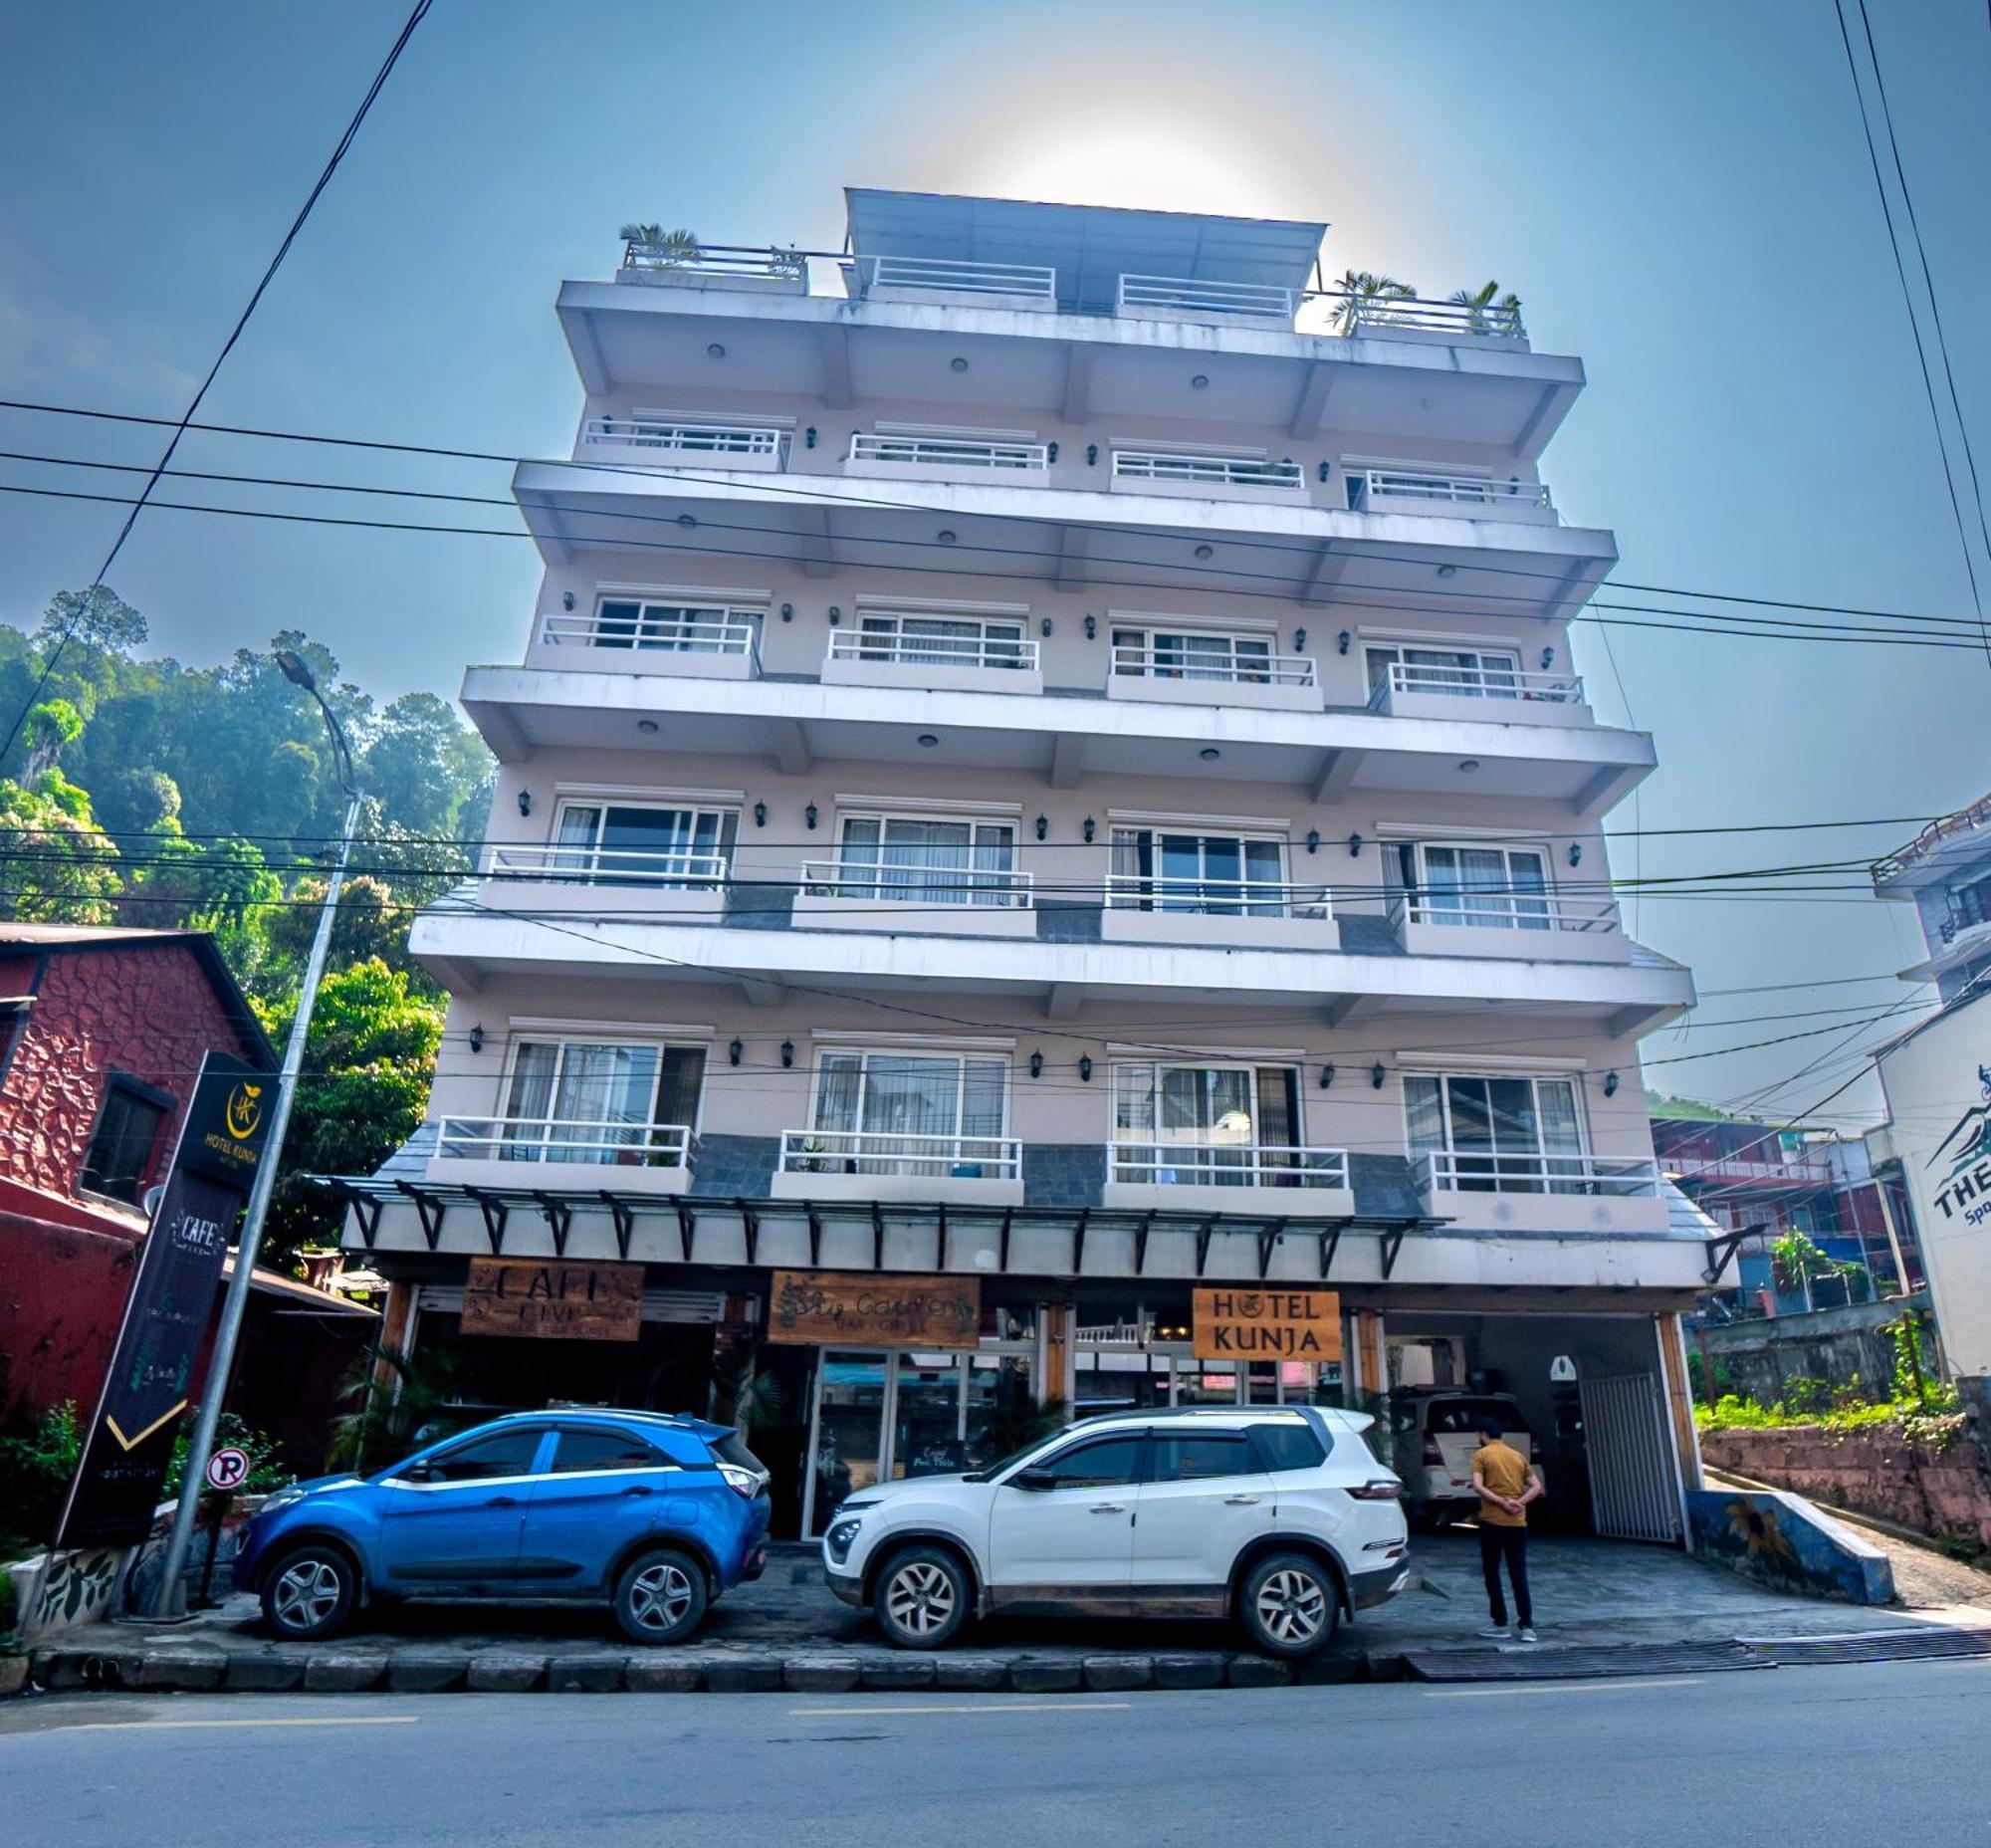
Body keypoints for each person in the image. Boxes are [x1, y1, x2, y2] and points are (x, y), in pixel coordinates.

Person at [1470, 1414, 1543, 1643]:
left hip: (1492, 1521)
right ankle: (1527, 1626)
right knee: (1518, 1573)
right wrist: (1519, 1502)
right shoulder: (1517, 1455)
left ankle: (1499, 1622)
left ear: (1483, 1434)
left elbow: (1477, 1486)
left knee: (1492, 1573)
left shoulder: (1481, 1455)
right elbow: (1537, 1486)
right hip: (1518, 1522)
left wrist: (1501, 1502)